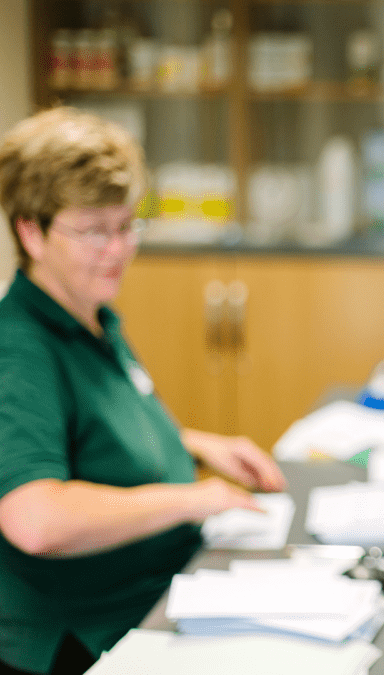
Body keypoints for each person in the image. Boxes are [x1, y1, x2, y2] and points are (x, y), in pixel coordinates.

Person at [0, 107, 287, 675]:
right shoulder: (20, 349)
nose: (118, 250)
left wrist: (197, 444)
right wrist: (193, 497)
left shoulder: (89, 316)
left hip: (155, 595)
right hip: (87, 638)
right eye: (93, 231)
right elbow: (35, 519)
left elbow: (91, 425)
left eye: (127, 225)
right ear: (30, 231)